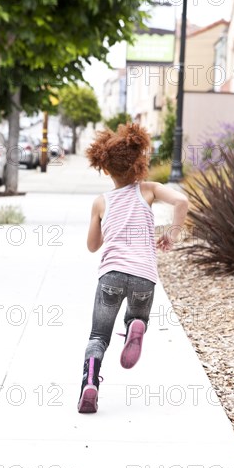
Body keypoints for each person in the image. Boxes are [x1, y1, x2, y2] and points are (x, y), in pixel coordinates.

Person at [78, 123, 188, 413]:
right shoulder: (148, 190)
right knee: (138, 314)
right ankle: (135, 326)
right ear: (139, 163)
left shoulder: (101, 202)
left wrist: (103, 224)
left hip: (111, 276)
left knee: (98, 337)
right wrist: (172, 234)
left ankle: (90, 383)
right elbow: (182, 201)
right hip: (144, 277)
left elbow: (93, 246)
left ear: (105, 168)